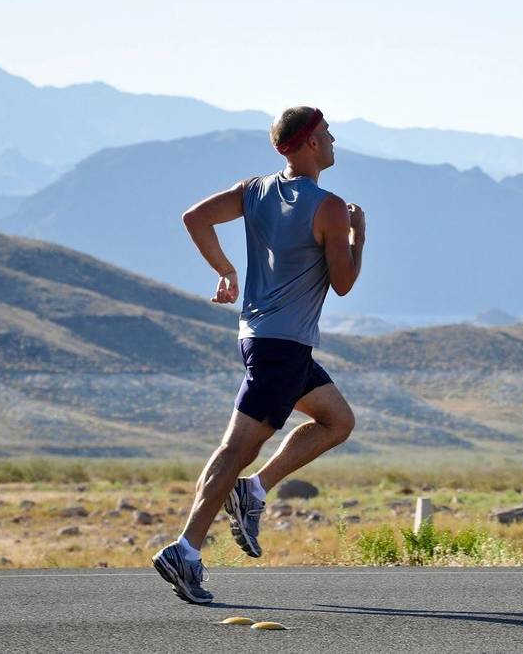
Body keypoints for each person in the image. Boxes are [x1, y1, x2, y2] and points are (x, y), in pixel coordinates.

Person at [152, 106, 366, 603]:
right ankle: (185, 549)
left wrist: (225, 269)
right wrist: (360, 236)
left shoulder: (254, 190)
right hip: (282, 347)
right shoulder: (330, 208)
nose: (334, 142)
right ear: (311, 141)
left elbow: (195, 217)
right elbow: (344, 283)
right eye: (329, 135)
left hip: (263, 339)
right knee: (235, 449)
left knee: (337, 421)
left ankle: (254, 490)